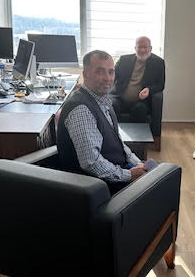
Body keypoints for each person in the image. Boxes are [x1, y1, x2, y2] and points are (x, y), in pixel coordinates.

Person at [57, 50, 147, 194]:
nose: (107, 78)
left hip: (117, 173)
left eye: (111, 72)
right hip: (98, 189)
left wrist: (138, 163)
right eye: (100, 71)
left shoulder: (103, 101)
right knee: (165, 182)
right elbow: (91, 163)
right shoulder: (81, 109)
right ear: (85, 74)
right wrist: (129, 175)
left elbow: (118, 143)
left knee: (161, 175)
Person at [111, 36, 165, 123]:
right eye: (139, 47)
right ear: (135, 48)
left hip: (141, 101)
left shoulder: (158, 62)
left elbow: (160, 85)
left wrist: (149, 90)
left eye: (145, 47)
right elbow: (112, 76)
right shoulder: (124, 60)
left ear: (150, 48)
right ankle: (113, 131)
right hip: (119, 97)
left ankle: (137, 132)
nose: (142, 50)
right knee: (111, 105)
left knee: (140, 109)